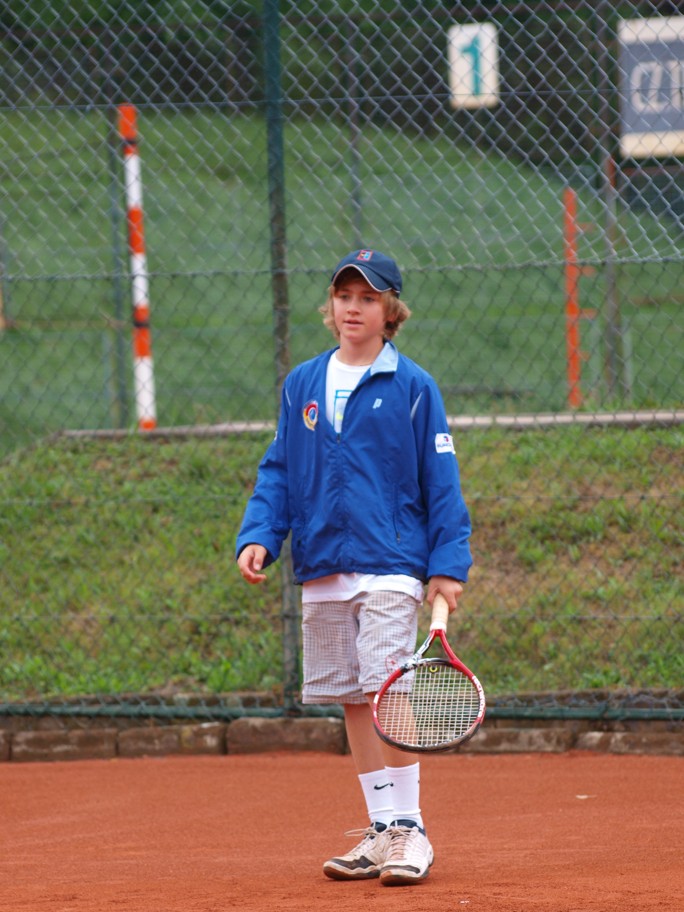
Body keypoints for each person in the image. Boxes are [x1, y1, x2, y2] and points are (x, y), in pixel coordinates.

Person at [236, 248, 472, 887]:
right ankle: (381, 829)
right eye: (344, 296)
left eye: (368, 298)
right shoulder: (302, 384)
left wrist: (447, 563)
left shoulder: (414, 387)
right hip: (324, 564)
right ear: (331, 305)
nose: (353, 308)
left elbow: (441, 481)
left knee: (385, 690)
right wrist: (261, 534)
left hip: (390, 563)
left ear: (390, 310)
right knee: (352, 697)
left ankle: (411, 830)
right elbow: (279, 470)